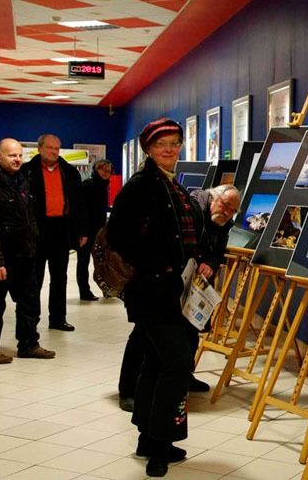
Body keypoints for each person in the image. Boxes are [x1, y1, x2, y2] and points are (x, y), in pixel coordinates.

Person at [108, 118, 218, 477]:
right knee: (177, 364)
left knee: (157, 363)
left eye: (174, 143)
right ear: (149, 149)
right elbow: (119, 238)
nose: (169, 149)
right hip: (153, 292)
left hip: (178, 293)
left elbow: (195, 234)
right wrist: (161, 266)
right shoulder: (140, 186)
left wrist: (205, 260)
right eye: (161, 144)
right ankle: (159, 445)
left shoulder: (176, 186)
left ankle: (148, 439)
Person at [0, 139, 56, 363]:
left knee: (30, 302)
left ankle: (29, 344)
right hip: (3, 259)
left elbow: (30, 219)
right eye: (12, 155)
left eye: (20, 155)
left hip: (25, 256)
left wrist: (34, 244)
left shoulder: (23, 182)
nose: (17, 159)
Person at [23, 134, 88, 331]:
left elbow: (79, 204)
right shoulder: (26, 171)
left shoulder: (69, 172)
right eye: (49, 147)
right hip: (37, 229)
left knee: (60, 276)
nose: (53, 151)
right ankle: (31, 319)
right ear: (40, 148)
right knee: (35, 277)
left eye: (57, 148)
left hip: (61, 228)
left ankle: (58, 318)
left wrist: (82, 230)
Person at [77, 159, 112, 301]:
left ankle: (107, 289)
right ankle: (84, 291)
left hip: (100, 231)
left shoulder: (104, 186)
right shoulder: (87, 185)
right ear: (96, 170)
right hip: (86, 231)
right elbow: (81, 210)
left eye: (108, 171)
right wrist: (82, 231)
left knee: (102, 261)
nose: (105, 173)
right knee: (83, 261)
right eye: (102, 169)